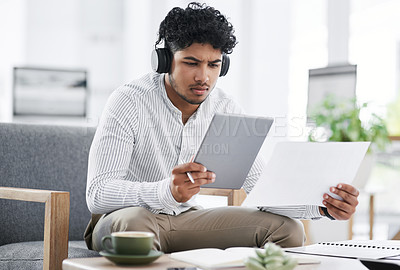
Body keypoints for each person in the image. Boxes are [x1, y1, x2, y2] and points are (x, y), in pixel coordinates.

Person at [84, 2, 359, 253]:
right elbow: (97, 194)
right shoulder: (129, 100)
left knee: (287, 230)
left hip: (184, 219)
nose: (203, 77)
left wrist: (322, 207)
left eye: (213, 65)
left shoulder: (225, 108)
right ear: (164, 61)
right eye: (191, 63)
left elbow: (261, 190)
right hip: (125, 219)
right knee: (136, 225)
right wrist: (166, 191)